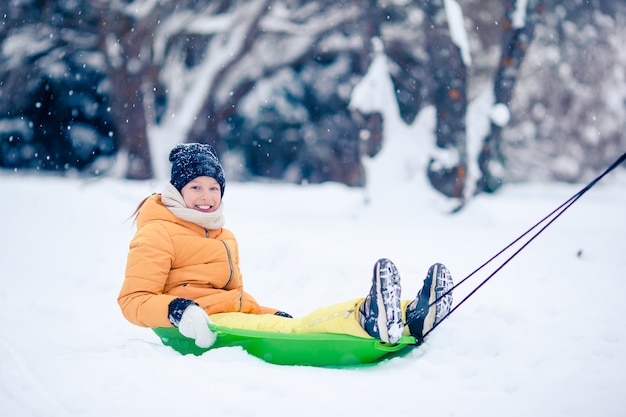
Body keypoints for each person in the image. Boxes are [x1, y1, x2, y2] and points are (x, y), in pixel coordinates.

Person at [118, 143, 454, 349]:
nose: (206, 197)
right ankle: (368, 317)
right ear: (177, 191)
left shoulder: (223, 237)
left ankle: (411, 316)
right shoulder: (157, 232)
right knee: (298, 332)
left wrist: (267, 312)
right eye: (195, 188)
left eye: (213, 188)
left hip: (229, 319)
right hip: (199, 330)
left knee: (290, 323)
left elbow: (236, 299)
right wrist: (179, 312)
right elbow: (133, 300)